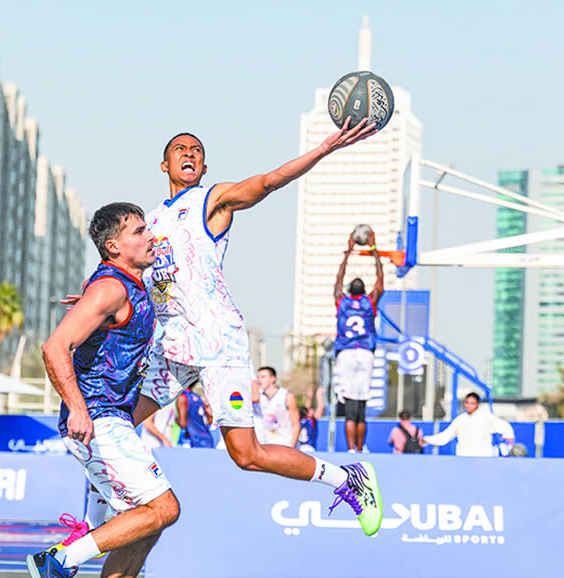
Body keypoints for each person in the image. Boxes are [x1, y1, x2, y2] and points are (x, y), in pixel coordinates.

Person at [127, 126, 381, 533]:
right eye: (180, 149)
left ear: (204, 166)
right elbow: (133, 279)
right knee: (115, 423)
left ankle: (348, 479)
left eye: (196, 150)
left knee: (245, 455)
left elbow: (267, 182)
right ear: (164, 164)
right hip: (173, 345)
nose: (188, 153)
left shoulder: (210, 201)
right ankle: (89, 523)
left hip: (218, 344)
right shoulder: (151, 222)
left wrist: (322, 148)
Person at [31, 202, 165, 578]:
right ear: (114, 246)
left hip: (114, 419)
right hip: (99, 419)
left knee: (145, 527)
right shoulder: (111, 286)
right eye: (139, 230)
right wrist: (78, 408)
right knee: (163, 509)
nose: (150, 236)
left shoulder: (118, 286)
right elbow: (54, 347)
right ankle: (59, 562)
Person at [333, 224, 385, 453]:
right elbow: (380, 277)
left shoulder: (341, 301)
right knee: (361, 404)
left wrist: (348, 252)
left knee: (350, 405)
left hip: (346, 352)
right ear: (363, 290)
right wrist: (374, 249)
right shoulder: (370, 302)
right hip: (364, 352)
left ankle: (352, 448)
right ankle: (360, 447)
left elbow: (338, 278)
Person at [424, 393, 514, 457]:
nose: (469, 406)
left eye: (472, 403)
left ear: (477, 404)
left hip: (483, 459)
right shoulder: (460, 420)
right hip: (464, 459)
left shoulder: (486, 418)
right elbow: (445, 437)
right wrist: (426, 440)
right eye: (467, 403)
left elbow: (505, 426)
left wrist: (509, 436)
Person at [253, 366, 299, 447]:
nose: (259, 380)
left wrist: (292, 447)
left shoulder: (286, 396)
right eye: (258, 377)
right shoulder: (258, 398)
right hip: (264, 445)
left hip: (284, 444)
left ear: (273, 378)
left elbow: (296, 425)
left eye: (263, 377)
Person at [176, 384, 213, 448]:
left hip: (193, 441)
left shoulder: (182, 397)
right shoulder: (198, 397)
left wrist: (176, 419)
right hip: (207, 439)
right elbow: (208, 421)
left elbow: (183, 424)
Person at [297, 387, 326, 454]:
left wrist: (309, 397)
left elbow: (306, 409)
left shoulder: (298, 421)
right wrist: (319, 395)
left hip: (298, 449)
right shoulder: (310, 421)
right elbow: (321, 407)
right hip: (309, 450)